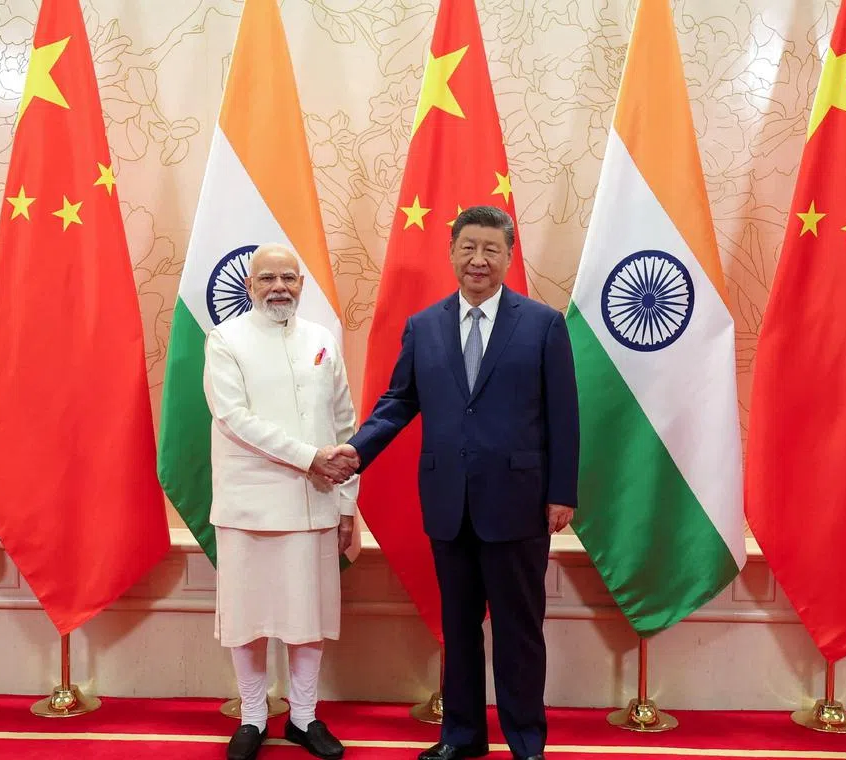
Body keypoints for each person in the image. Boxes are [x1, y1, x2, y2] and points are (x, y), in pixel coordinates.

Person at [334, 206, 579, 760]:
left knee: (519, 632)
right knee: (458, 628)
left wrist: (562, 492)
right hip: (449, 503)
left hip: (519, 504)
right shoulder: (424, 327)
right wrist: (356, 450)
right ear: (450, 253)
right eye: (468, 247)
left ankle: (525, 742)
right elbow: (400, 402)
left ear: (509, 257)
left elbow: (564, 414)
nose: (478, 260)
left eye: (491, 249)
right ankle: (462, 736)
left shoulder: (542, 324)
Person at [204, 243, 359, 760]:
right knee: (248, 619)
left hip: (314, 504)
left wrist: (346, 504)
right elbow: (234, 418)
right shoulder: (225, 339)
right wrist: (310, 456)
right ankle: (251, 717)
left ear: (301, 284)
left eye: (288, 278)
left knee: (305, 619)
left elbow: (345, 426)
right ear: (250, 285)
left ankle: (303, 717)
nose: (279, 287)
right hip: (248, 505)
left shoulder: (321, 339)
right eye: (267, 277)